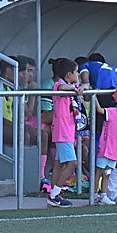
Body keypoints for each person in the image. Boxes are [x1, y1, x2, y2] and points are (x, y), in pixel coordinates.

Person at [45, 57, 83, 208]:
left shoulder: (72, 85)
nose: (78, 75)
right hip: (63, 131)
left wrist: (78, 87)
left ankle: (54, 194)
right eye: (76, 72)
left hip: (67, 130)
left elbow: (81, 87)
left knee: (59, 164)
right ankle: (54, 194)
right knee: (72, 163)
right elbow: (60, 88)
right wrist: (74, 88)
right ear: (69, 75)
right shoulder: (59, 85)